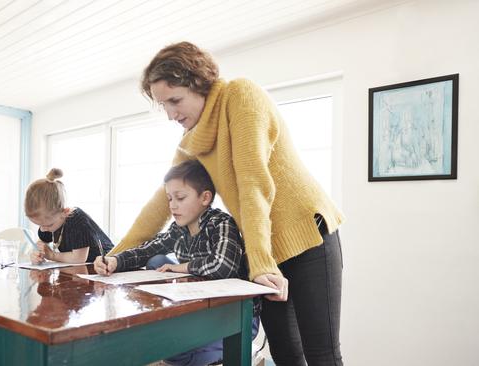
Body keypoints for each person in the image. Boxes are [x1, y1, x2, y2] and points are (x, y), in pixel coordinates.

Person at [109, 41, 345, 366]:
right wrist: (114, 258)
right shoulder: (193, 140)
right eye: (163, 105)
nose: (170, 114)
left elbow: (253, 183)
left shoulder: (240, 95)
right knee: (285, 352)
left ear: (199, 82)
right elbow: (159, 203)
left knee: (321, 353)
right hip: (266, 250)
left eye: (175, 100)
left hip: (308, 237)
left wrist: (261, 264)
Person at [95, 159, 259, 366]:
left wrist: (182, 267)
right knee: (167, 346)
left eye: (180, 197)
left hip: (234, 318)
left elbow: (223, 266)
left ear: (205, 198)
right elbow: (147, 249)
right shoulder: (179, 229)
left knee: (178, 352)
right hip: (202, 313)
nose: (172, 205)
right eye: (169, 198)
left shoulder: (221, 223)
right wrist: (115, 261)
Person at [26, 168, 113, 264]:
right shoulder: (49, 222)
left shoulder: (78, 221)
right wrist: (36, 254)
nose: (43, 229)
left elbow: (78, 258)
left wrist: (51, 255)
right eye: (39, 225)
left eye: (48, 225)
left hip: (105, 264)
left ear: (65, 212)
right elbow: (41, 244)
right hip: (82, 269)